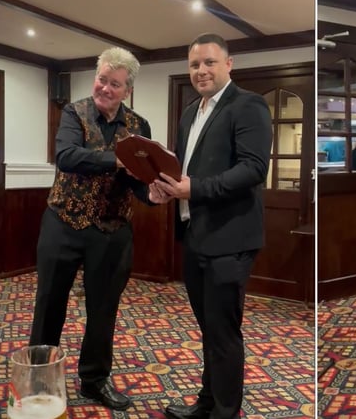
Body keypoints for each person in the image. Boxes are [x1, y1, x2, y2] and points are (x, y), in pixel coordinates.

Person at [29, 47, 160, 410]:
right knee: (49, 304)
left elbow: (138, 181)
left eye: (114, 84)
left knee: (104, 310)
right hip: (63, 223)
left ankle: (94, 381)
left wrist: (153, 194)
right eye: (102, 79)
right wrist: (116, 160)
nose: (104, 88)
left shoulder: (139, 127)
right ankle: (39, 380)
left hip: (112, 231)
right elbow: (66, 156)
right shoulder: (74, 112)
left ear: (127, 90)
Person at [151, 33, 272, 419]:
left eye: (209, 62)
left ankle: (224, 411)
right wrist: (168, 186)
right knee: (209, 329)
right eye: (194, 65)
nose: (201, 71)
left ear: (229, 64)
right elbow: (188, 170)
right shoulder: (190, 112)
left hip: (230, 238)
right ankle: (207, 403)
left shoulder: (248, 105)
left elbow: (254, 169)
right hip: (195, 236)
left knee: (223, 333)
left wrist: (194, 188)